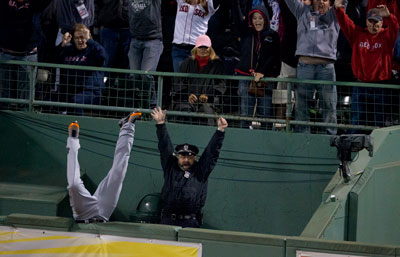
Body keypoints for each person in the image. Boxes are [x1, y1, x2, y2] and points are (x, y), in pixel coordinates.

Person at [151, 107, 227, 228]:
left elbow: (211, 152)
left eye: (189, 157)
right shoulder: (170, 167)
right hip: (167, 220)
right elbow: (164, 146)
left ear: (195, 157)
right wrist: (161, 124)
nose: (186, 160)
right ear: (177, 156)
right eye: (182, 156)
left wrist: (220, 131)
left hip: (190, 223)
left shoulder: (201, 171)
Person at [66, 112, 141, 223]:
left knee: (119, 172)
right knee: (73, 185)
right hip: (83, 213)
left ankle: (127, 126)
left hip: (102, 215)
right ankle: (73, 138)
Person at [334, 2, 399, 129]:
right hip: (361, 84)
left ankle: (377, 148)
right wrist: (339, 9)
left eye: (376, 22)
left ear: (381, 23)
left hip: (380, 86)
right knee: (356, 120)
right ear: (366, 22)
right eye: (370, 21)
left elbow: (395, 28)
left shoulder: (387, 37)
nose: (373, 25)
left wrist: (390, 16)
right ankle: (353, 145)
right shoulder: (357, 35)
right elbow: (345, 22)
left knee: (379, 124)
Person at [285, 0, 346, 134]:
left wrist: (338, 4)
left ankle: (329, 140)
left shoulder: (336, 13)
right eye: (317, 0)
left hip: (326, 68)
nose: (321, 3)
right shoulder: (302, 11)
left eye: (324, 0)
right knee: (302, 106)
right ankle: (302, 139)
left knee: (329, 106)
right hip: (304, 66)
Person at [234, 5, 281, 129]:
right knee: (245, 113)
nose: (257, 21)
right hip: (245, 77)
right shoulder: (246, 33)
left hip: (265, 80)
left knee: (266, 114)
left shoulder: (273, 35)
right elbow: (237, 17)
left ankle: (267, 142)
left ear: (265, 18)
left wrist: (262, 72)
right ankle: (244, 140)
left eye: (260, 18)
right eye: (254, 18)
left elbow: (274, 57)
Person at [0, 0, 50, 104]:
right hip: (5, 53)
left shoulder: (36, 3)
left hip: (28, 54)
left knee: (26, 97)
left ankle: (24, 115)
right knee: (3, 95)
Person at [171, 35, 226, 125]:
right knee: (184, 110)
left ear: (210, 48)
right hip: (187, 100)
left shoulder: (217, 64)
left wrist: (208, 95)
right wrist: (188, 95)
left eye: (206, 47)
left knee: (205, 111)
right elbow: (179, 82)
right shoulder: (187, 63)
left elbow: (221, 85)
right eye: (200, 47)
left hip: (209, 102)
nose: (203, 50)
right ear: (196, 48)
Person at [55, 23, 107, 115]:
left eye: (83, 37)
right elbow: (53, 59)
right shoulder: (68, 51)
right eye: (77, 38)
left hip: (91, 91)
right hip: (69, 90)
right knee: (50, 100)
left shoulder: (94, 50)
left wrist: (90, 41)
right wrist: (63, 44)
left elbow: (103, 57)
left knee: (75, 101)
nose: (80, 40)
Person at [128, 0, 163, 108]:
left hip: (153, 40)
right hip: (135, 39)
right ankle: (138, 106)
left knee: (146, 74)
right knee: (133, 75)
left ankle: (152, 106)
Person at [171, 0, 221, 72]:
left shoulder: (208, 3)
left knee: (194, 82)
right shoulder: (181, 1)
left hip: (197, 50)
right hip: (179, 48)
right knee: (179, 81)